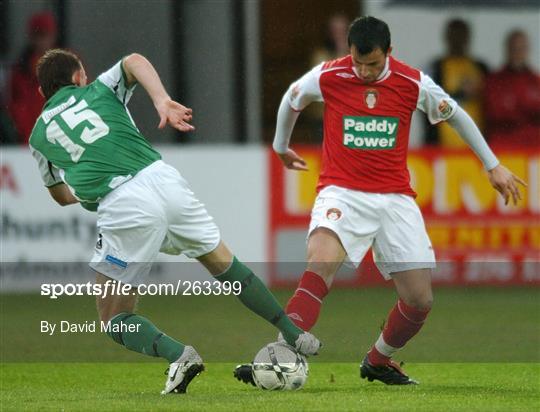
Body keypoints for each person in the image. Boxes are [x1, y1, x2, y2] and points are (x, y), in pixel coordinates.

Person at [234, 16, 526, 386]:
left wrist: (492, 164)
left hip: (394, 199)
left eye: (373, 64)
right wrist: (280, 146)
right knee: (321, 260)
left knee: (420, 300)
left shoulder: (412, 82)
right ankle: (281, 355)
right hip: (341, 191)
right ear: (350, 52)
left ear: (389, 53)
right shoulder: (329, 75)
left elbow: (458, 116)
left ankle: (378, 360)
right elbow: (293, 98)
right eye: (358, 63)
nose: (365, 72)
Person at [28, 49, 321, 394]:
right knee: (225, 265)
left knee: (113, 317)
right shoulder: (99, 90)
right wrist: (162, 101)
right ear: (79, 77)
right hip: (163, 179)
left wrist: (87, 184)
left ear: (41, 93)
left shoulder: (38, 137)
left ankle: (179, 355)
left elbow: (60, 195)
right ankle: (294, 333)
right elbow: (134, 60)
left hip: (122, 202)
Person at [426, 18, 489, 147]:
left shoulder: (481, 67)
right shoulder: (436, 67)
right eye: (454, 35)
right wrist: (461, 93)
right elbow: (427, 102)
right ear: (447, 37)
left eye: (461, 36)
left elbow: (493, 101)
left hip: (478, 144)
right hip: (443, 143)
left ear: (468, 37)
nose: (458, 40)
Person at [8, 11, 58, 144]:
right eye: (38, 35)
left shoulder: (67, 66)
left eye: (45, 35)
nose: (42, 41)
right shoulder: (21, 70)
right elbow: (16, 108)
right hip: (28, 141)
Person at [484, 30, 540, 147]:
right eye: (514, 48)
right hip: (502, 147)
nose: (518, 53)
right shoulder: (494, 81)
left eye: (521, 48)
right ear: (507, 49)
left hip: (534, 147)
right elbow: (495, 113)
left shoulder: (536, 81)